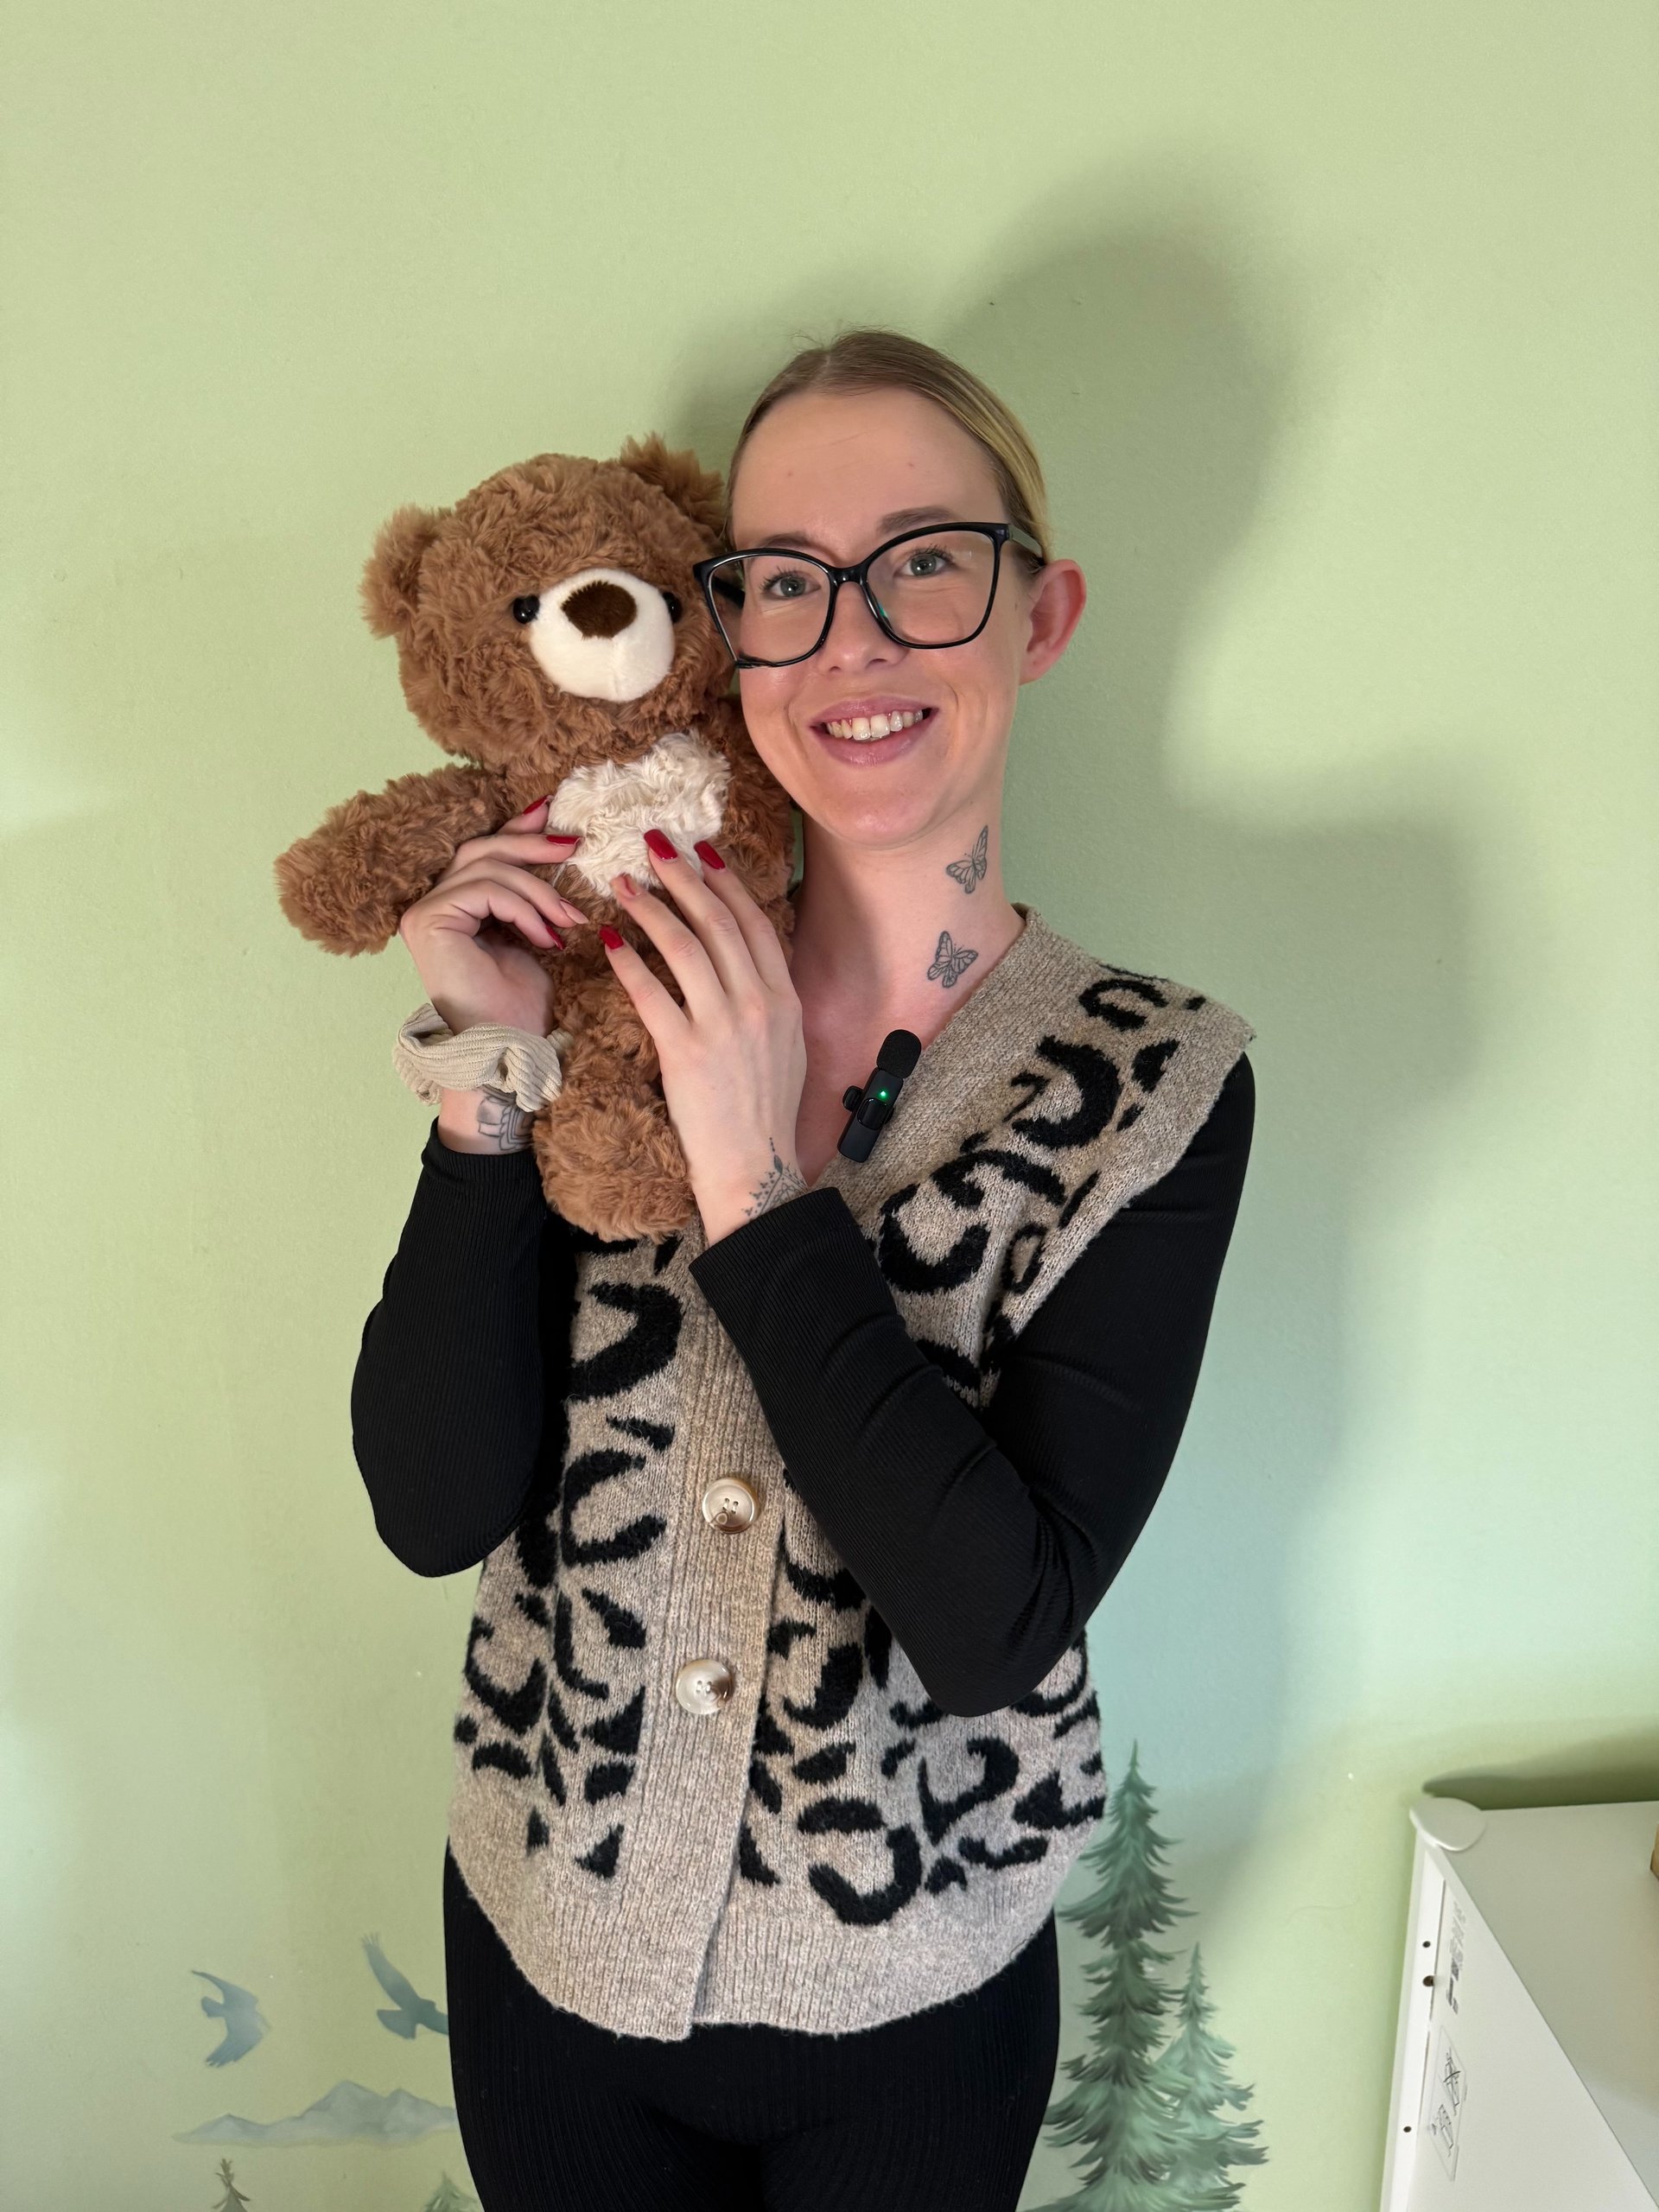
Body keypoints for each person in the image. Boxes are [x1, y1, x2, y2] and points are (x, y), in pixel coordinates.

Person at [350, 329, 1255, 2212]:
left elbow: (996, 1619)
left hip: (913, 2001)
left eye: (926, 558)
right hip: (547, 1950)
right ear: (725, 632)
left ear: (1042, 607)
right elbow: (432, 1505)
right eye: (781, 581)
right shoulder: (600, 997)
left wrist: (758, 1183)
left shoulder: (1156, 1082)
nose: (853, 639)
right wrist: (486, 1083)